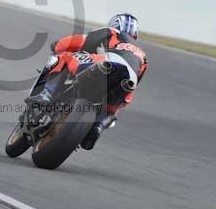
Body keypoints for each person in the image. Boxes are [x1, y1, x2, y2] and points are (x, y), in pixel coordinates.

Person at [25, 13, 148, 150]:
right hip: (127, 83)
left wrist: (58, 46)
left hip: (108, 64)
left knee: (65, 57)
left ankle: (47, 94)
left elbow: (79, 41)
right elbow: (136, 81)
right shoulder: (143, 55)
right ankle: (98, 126)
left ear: (116, 24)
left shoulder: (112, 33)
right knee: (112, 110)